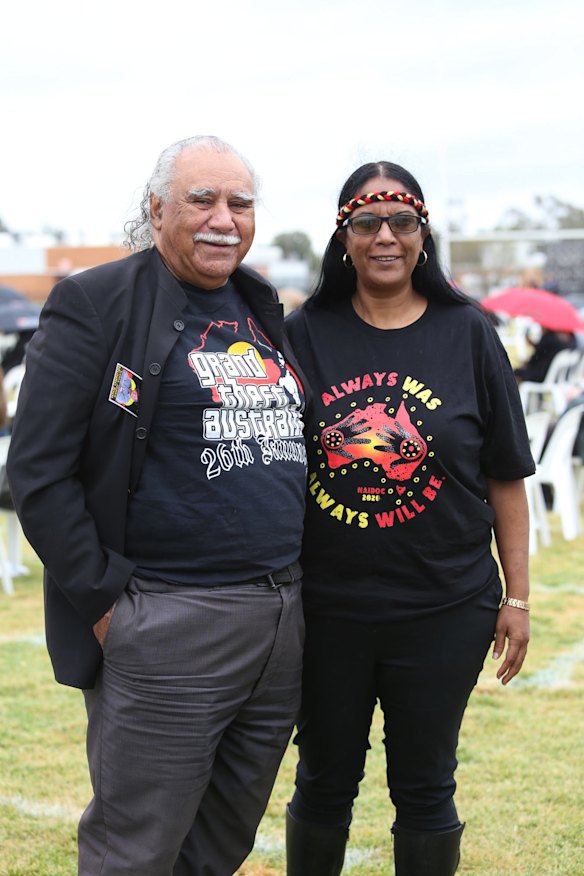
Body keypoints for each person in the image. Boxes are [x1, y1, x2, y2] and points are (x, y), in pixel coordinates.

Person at [7, 135, 309, 876]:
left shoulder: (257, 302)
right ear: (156, 209)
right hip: (166, 620)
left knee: (221, 842)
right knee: (135, 849)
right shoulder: (96, 302)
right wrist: (112, 606)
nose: (224, 219)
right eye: (201, 199)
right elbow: (37, 474)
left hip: (279, 616)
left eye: (240, 203)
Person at [284, 161, 534, 875]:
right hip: (328, 608)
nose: (385, 237)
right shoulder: (304, 334)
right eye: (367, 223)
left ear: (423, 234)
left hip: (446, 605)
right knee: (323, 780)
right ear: (344, 237)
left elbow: (506, 477)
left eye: (402, 222)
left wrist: (516, 597)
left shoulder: (469, 332)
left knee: (425, 785)